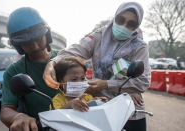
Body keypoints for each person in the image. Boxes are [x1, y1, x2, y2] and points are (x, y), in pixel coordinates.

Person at [43, 2, 151, 131]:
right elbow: (76, 50)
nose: (124, 26)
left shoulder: (139, 46)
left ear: (137, 26)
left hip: (129, 109)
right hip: (100, 106)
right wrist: (52, 63)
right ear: (114, 17)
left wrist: (106, 84)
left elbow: (143, 81)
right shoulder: (99, 36)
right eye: (120, 20)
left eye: (131, 24)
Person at [0, 7, 60, 131]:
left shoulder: (64, 58)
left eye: (39, 38)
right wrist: (17, 117)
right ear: (18, 46)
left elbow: (86, 89)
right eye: (27, 42)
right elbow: (6, 109)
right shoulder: (14, 71)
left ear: (47, 35)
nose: (35, 46)